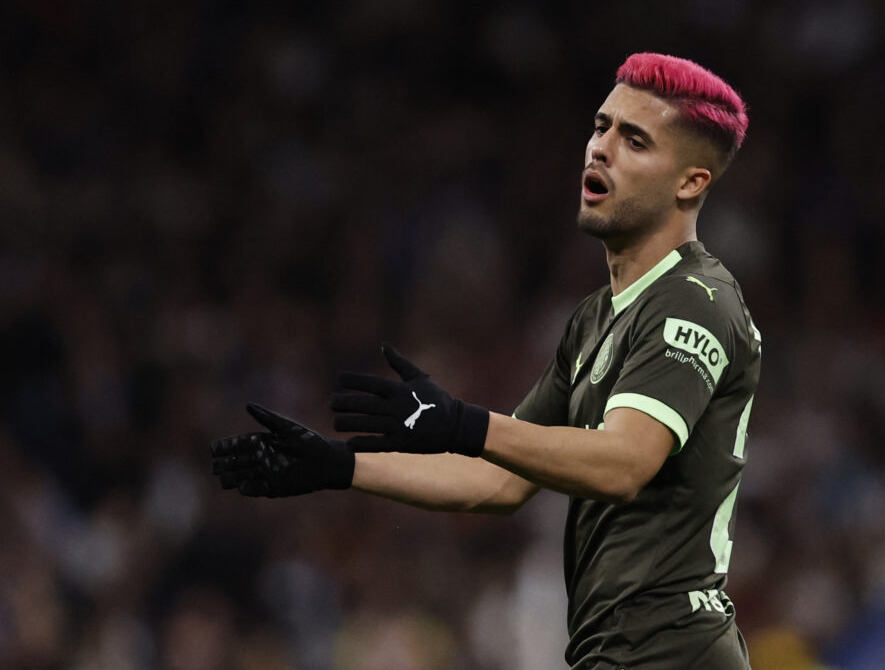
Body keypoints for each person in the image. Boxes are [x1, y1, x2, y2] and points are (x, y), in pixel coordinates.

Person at [212, 52, 761, 670]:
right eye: (602, 126)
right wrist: (339, 466)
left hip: (674, 654)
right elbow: (497, 480)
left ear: (691, 182)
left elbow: (625, 463)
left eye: (635, 140)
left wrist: (467, 423)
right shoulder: (593, 320)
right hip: (622, 654)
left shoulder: (694, 302)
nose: (601, 149)